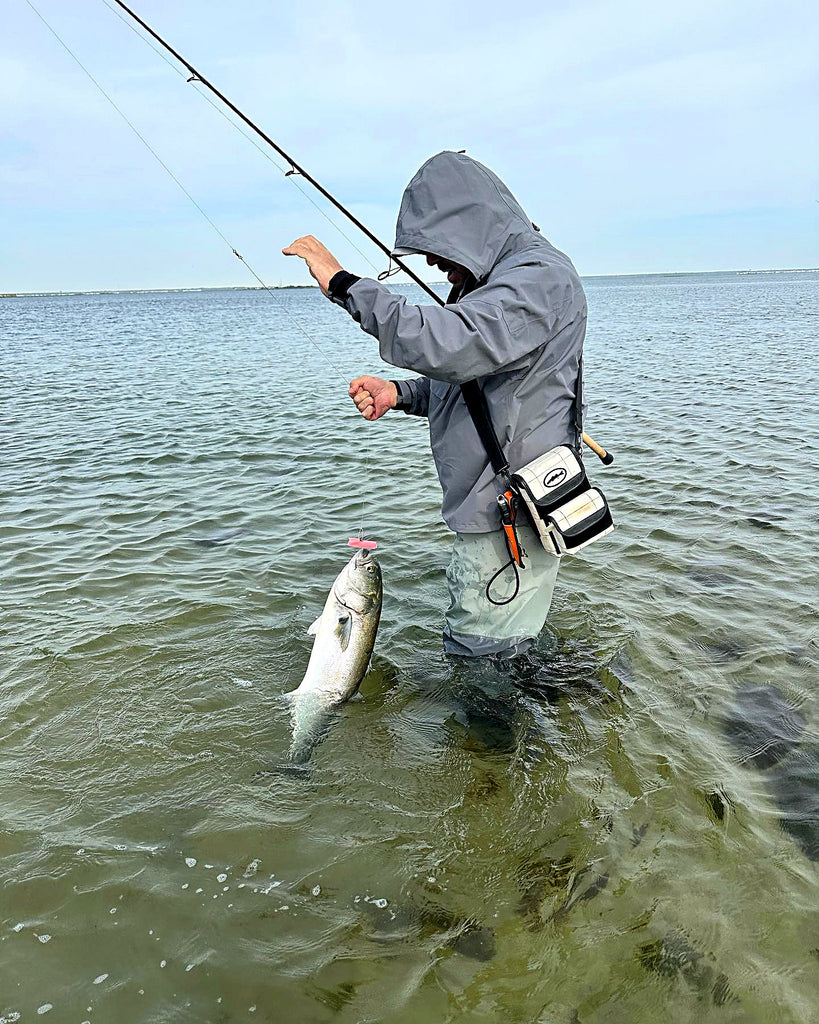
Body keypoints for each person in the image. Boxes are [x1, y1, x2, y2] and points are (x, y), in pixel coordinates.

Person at [283, 151, 587, 659]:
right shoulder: (499, 282)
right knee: (503, 651)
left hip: (505, 517)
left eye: (436, 247)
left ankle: (489, 736)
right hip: (495, 514)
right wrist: (399, 392)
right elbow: (473, 380)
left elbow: (447, 343)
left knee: (479, 664)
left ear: (467, 223)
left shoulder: (537, 278)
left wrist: (342, 283)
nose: (432, 264)